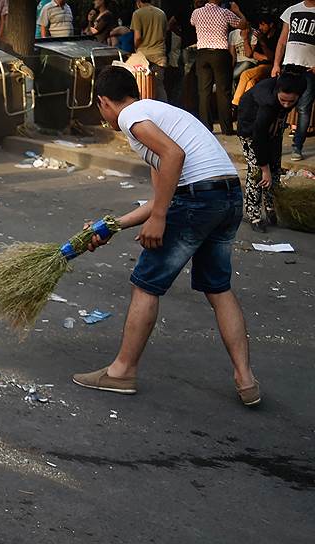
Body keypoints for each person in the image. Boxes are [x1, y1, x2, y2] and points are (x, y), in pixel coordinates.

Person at [73, 66, 260, 408]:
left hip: (198, 199)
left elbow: (175, 158)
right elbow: (161, 195)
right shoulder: (158, 114)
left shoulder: (131, 116)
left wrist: (159, 219)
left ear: (103, 102)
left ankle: (122, 372)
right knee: (218, 288)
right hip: (228, 196)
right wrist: (111, 226)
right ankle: (245, 378)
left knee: (146, 283)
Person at [237, 74, 305, 233]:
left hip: (273, 127)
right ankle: (254, 215)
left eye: (291, 102)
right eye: (283, 101)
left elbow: (280, 113)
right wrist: (264, 168)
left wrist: (270, 168)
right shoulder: (266, 104)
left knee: (275, 167)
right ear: (277, 93)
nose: (287, 104)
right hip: (251, 130)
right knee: (257, 172)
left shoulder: (292, 89)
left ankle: (271, 205)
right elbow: (258, 136)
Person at [190, 0, 247, 135]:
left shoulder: (196, 13)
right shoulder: (225, 12)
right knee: (223, 91)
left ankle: (206, 127)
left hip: (202, 53)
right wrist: (237, 10)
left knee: (204, 91)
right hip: (220, 53)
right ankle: (226, 128)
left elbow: (192, 23)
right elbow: (243, 25)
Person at [272, 0, 315, 161]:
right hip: (288, 66)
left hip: (309, 68)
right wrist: (276, 64)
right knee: (279, 108)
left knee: (304, 109)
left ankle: (297, 147)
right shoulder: (292, 9)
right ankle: (274, 146)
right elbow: (282, 40)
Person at [233, 14, 278, 107]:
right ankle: (244, 107)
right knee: (251, 82)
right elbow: (254, 55)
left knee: (246, 74)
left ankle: (235, 104)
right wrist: (266, 57)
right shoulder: (262, 35)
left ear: (271, 25)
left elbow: (272, 58)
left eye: (263, 25)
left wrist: (262, 43)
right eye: (259, 25)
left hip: (272, 67)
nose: (260, 27)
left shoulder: (276, 37)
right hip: (261, 65)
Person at [131, 0, 167, 101]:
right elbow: (165, 34)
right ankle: (164, 113)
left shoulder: (137, 14)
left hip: (142, 57)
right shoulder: (161, 13)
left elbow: (137, 37)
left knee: (142, 88)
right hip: (159, 56)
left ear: (138, 2)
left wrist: (135, 47)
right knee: (159, 87)